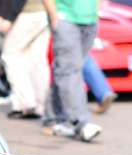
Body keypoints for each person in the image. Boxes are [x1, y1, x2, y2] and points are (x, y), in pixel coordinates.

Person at [43, 0, 102, 142]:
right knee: (70, 72)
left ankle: (55, 118)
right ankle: (79, 121)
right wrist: (54, 17)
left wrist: (96, 12)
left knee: (66, 70)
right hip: (66, 19)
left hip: (90, 20)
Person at [1, 0, 50, 119]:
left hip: (28, 12)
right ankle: (40, 105)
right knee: (37, 60)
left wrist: (9, 18)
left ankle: (26, 103)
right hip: (44, 13)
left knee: (10, 55)